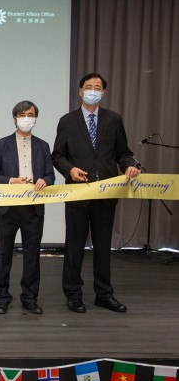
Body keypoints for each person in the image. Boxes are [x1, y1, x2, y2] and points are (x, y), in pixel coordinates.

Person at [52, 73, 141, 313]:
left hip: (106, 194)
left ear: (103, 93)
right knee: (74, 247)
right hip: (78, 194)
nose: (93, 90)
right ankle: (73, 294)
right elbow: (57, 156)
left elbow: (123, 152)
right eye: (88, 87)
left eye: (98, 87)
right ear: (80, 92)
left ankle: (104, 294)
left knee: (103, 247)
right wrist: (70, 170)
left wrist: (129, 165)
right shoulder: (67, 121)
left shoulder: (113, 120)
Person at [0, 100, 55, 315]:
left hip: (33, 208)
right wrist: (9, 181)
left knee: (32, 255)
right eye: (22, 114)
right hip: (8, 208)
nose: (26, 118)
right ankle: (2, 298)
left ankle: (30, 298)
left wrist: (45, 180)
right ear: (15, 118)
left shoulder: (43, 146)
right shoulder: (1, 144)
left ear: (35, 118)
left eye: (30, 114)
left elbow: (51, 175)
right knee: (4, 255)